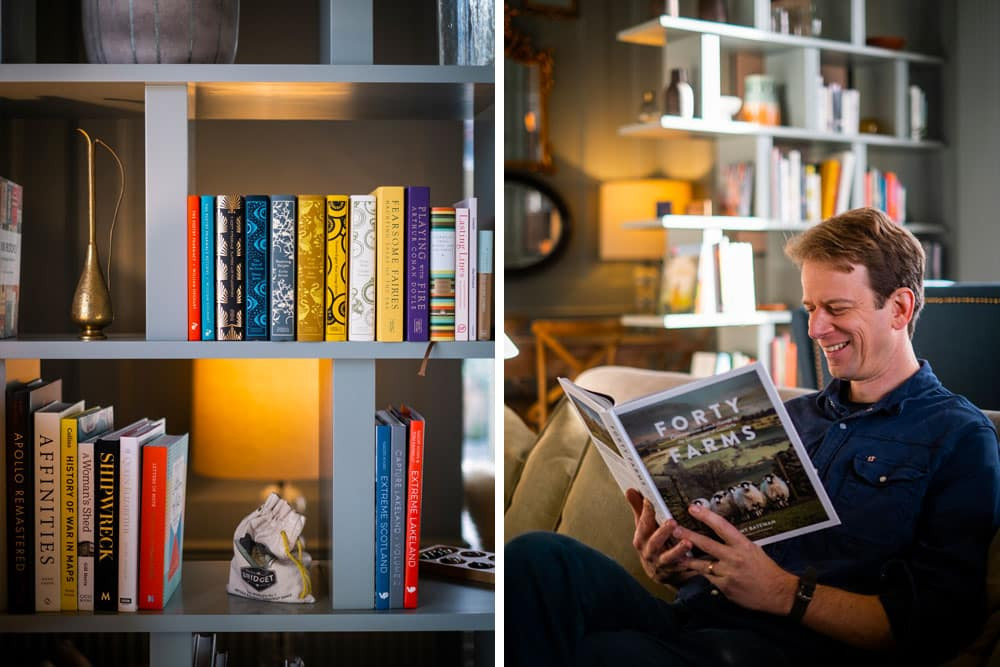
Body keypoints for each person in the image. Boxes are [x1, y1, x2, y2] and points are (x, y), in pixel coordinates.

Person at [506, 208, 1000, 667]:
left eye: (836, 308)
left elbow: (935, 627)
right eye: (809, 307)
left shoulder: (957, 436)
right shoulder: (787, 417)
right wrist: (671, 563)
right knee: (536, 558)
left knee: (607, 654)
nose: (815, 327)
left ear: (899, 308)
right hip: (698, 625)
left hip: (789, 651)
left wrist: (784, 592)